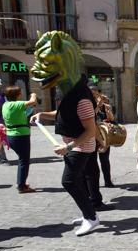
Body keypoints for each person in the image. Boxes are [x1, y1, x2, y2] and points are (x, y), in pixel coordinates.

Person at [30, 74, 100, 236]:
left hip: (81, 147)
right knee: (77, 181)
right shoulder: (71, 96)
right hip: (72, 146)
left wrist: (68, 147)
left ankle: (91, 217)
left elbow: (91, 131)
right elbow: (63, 113)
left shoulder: (82, 100)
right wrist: (43, 115)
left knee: (68, 181)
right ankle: (87, 214)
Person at [2, 86, 37, 193]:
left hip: (11, 135)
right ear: (17, 95)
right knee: (24, 161)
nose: (21, 94)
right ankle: (22, 186)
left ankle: (21, 183)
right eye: (20, 93)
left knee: (22, 160)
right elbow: (33, 101)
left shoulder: (6, 104)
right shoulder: (16, 104)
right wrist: (33, 95)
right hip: (20, 136)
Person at [90, 82, 115, 188]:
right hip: (92, 135)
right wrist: (98, 105)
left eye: (96, 92)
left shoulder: (104, 106)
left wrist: (108, 110)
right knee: (92, 162)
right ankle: (93, 184)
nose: (95, 95)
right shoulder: (88, 105)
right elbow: (91, 115)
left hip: (104, 135)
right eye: (92, 93)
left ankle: (107, 181)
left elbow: (112, 119)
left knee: (105, 159)